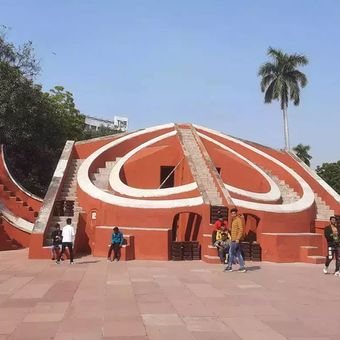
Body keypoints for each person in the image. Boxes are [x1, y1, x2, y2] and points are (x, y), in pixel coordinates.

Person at [225, 208, 246, 273]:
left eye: (234, 213)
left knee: (231, 252)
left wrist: (238, 238)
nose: (233, 214)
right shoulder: (233, 220)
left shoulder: (238, 219)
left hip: (236, 239)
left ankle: (230, 266)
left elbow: (241, 229)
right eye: (232, 213)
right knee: (238, 253)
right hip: (233, 239)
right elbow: (235, 229)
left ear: (236, 213)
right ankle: (242, 267)